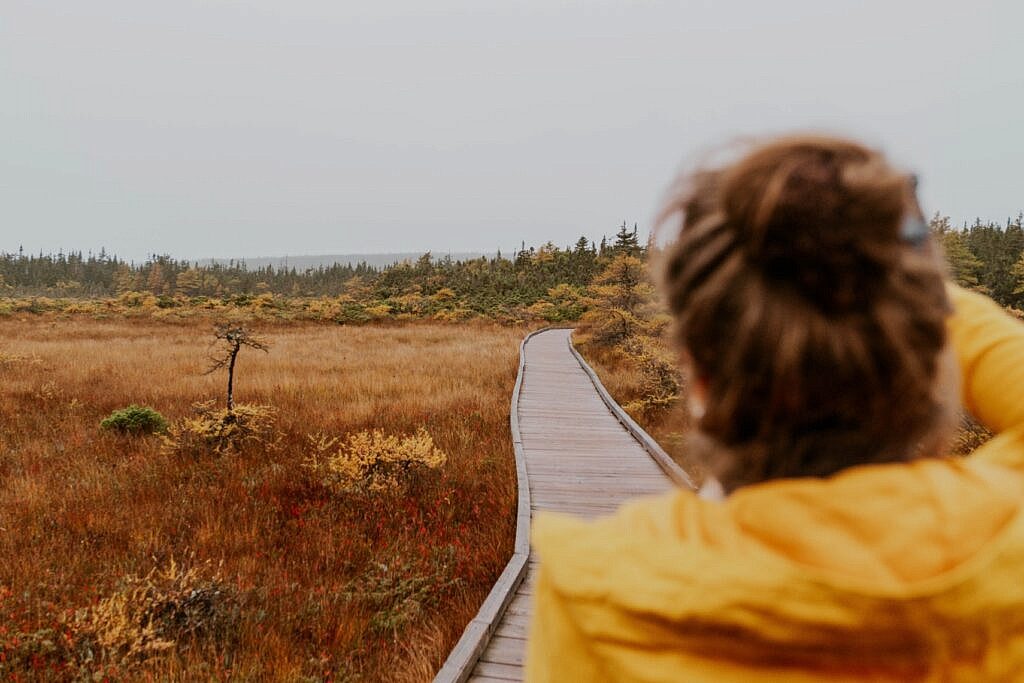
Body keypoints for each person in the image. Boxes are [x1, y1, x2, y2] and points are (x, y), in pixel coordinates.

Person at [525, 135, 1024, 681]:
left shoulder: (601, 599)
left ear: (699, 374)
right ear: (927, 352)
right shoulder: (1007, 538)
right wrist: (898, 285)